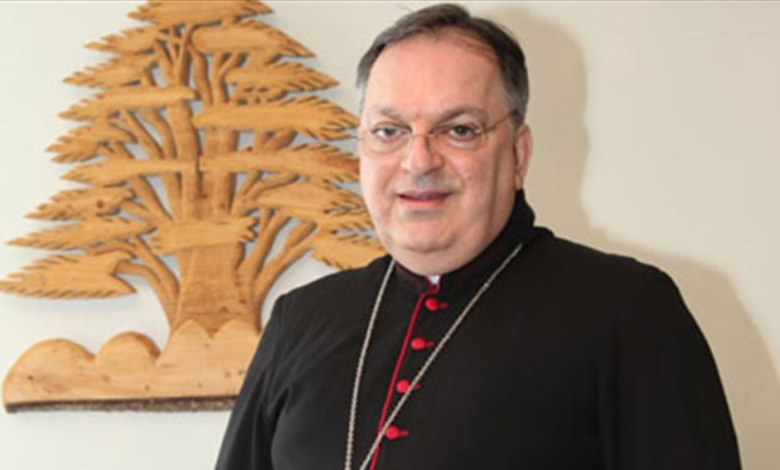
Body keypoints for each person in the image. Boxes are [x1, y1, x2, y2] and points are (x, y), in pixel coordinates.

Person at [215, 4, 740, 469]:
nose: (418, 161)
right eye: (389, 131)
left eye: (459, 130)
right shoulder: (299, 320)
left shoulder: (628, 310)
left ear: (517, 155)